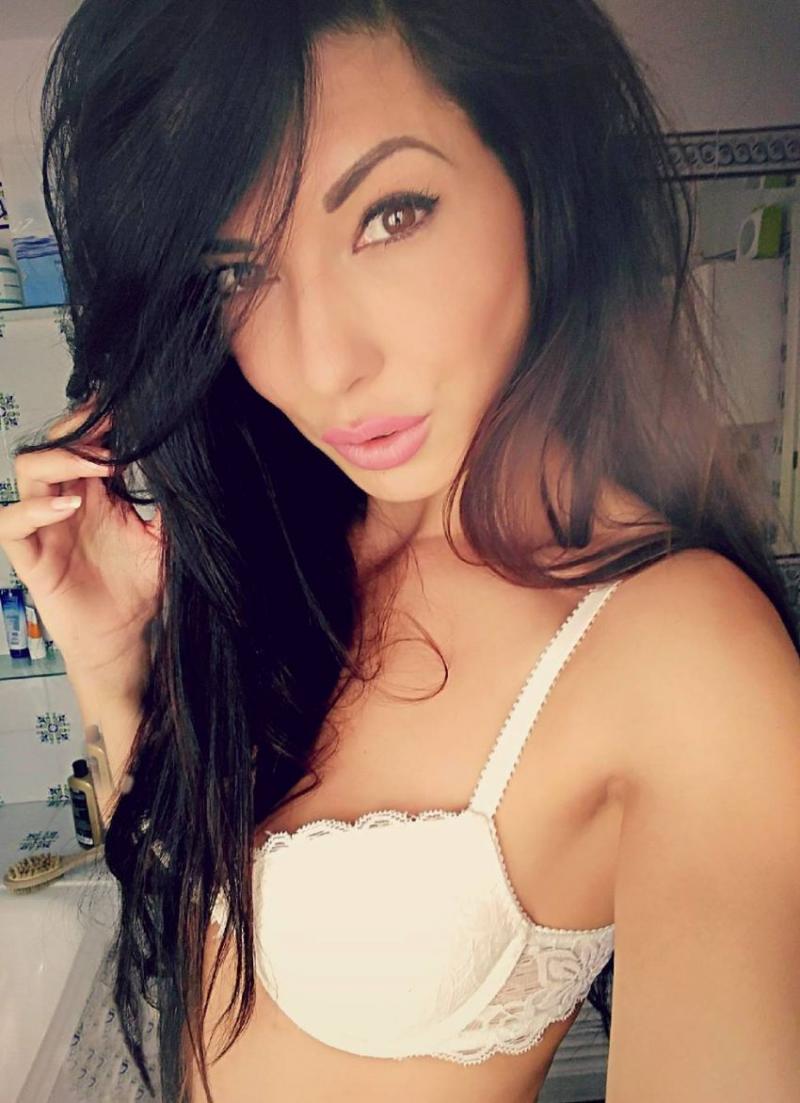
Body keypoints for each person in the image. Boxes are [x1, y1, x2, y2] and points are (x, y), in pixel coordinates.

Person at [1, 1, 799, 1101]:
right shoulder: (289, 544)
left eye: (390, 215)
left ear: (535, 178)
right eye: (236, 273)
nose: (322, 362)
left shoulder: (686, 654)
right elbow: (202, 940)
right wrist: (108, 655)